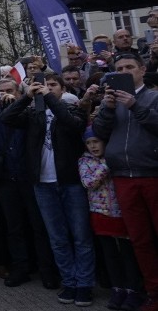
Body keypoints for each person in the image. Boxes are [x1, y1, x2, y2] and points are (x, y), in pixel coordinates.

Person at [1, 73, 94, 307]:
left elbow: (74, 126)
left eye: (52, 85)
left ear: (63, 89)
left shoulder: (74, 109)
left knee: (80, 237)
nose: (46, 88)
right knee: (57, 238)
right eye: (43, 85)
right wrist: (26, 97)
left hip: (70, 182)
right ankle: (69, 282)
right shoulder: (34, 114)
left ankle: (84, 284)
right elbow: (7, 117)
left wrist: (50, 99)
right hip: (43, 183)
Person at [0, 79, 59, 289]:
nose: (6, 95)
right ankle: (20, 268)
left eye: (10, 91)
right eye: (2, 92)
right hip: (6, 178)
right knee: (13, 227)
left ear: (19, 92)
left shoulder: (29, 112)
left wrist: (21, 102)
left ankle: (46, 270)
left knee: (38, 226)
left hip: (30, 176)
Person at [93, 53, 158, 311]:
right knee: (140, 240)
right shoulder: (112, 102)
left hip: (152, 174)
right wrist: (108, 109)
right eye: (119, 69)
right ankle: (153, 292)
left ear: (142, 70)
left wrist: (134, 106)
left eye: (129, 67)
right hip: (123, 177)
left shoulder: (153, 97)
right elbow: (98, 132)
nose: (125, 71)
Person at [79, 127, 143, 311]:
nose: (93, 146)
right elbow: (88, 182)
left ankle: (133, 289)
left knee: (128, 253)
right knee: (110, 254)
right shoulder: (85, 161)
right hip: (100, 213)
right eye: (89, 143)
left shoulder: (120, 158)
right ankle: (117, 288)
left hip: (121, 212)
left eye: (96, 142)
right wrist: (106, 164)